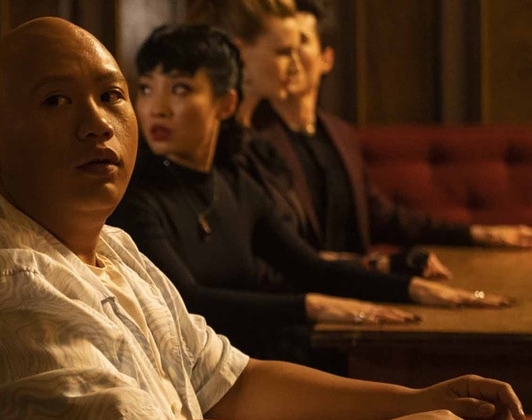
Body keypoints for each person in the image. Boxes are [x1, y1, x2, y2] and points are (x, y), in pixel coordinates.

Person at [0, 16, 529, 420]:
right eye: (55, 100)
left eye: (111, 95)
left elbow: (232, 384)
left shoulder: (112, 245)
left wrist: (415, 402)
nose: (96, 122)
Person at [108, 24, 509, 367]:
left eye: (179, 89)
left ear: (225, 104)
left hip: (258, 360)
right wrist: (311, 306)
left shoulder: (235, 185)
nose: (155, 108)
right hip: (196, 372)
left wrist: (412, 289)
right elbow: (189, 302)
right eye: (145, 88)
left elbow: (310, 267)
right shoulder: (134, 195)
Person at [250, 0, 532, 261]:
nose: (290, 57)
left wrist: (480, 235)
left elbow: (385, 219)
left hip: (358, 287)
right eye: (281, 46)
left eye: (301, 42)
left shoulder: (339, 134)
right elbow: (276, 250)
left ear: (326, 59)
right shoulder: (254, 137)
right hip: (308, 290)